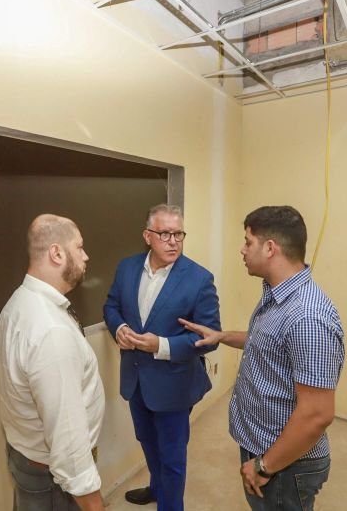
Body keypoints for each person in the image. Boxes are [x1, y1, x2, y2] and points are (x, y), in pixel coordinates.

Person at [179, 205, 345, 511]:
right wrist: (222, 336)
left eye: (248, 242)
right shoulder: (277, 294)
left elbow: (317, 414)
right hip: (264, 448)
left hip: (284, 463)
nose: (242, 250)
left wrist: (264, 466)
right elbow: (268, 344)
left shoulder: (309, 318)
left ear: (270, 248)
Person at [103, 204, 220, 511]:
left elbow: (209, 338)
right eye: (165, 233)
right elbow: (111, 307)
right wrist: (120, 329)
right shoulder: (127, 268)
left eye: (178, 233)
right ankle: (157, 488)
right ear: (147, 236)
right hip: (136, 379)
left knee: (172, 458)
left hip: (174, 385)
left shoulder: (199, 279)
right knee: (148, 442)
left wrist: (161, 345)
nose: (173, 241)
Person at [0, 214, 105, 511]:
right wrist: (94, 505)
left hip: (26, 457)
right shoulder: (51, 332)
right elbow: (68, 445)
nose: (86, 255)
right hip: (53, 480)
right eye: (79, 247)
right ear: (57, 253)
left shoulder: (19, 302)